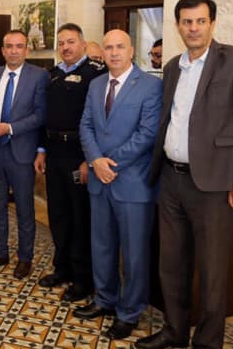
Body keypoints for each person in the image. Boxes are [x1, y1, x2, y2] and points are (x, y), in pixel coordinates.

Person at [136, 0, 233, 349]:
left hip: (214, 185)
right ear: (178, 26)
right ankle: (174, 331)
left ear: (212, 23)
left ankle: (207, 342)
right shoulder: (173, 67)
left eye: (200, 21)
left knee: (211, 271)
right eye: (187, 22)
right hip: (171, 180)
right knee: (171, 264)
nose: (193, 28)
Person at [74, 29, 162, 340]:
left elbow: (147, 134)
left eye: (120, 47)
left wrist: (108, 162)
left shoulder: (151, 86)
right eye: (108, 47)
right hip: (100, 182)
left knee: (134, 253)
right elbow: (85, 125)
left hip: (133, 184)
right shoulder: (96, 84)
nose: (113, 53)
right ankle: (105, 299)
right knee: (102, 245)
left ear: (131, 50)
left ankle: (130, 312)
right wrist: (95, 160)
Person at [34, 23, 104, 301]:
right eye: (61, 42)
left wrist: (89, 159)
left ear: (83, 44)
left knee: (80, 219)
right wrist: (41, 150)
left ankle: (83, 279)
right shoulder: (52, 75)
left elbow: (98, 121)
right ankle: (62, 268)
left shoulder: (95, 75)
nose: (65, 47)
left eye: (71, 42)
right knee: (59, 216)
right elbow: (45, 116)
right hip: (54, 153)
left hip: (79, 155)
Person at [0, 29, 49, 279]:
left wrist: (10, 128)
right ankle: (0, 253)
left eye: (19, 46)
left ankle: (25, 258)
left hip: (22, 152)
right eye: (9, 46)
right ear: (3, 50)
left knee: (24, 209)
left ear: (26, 50)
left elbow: (40, 115)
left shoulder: (39, 76)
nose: (14, 51)